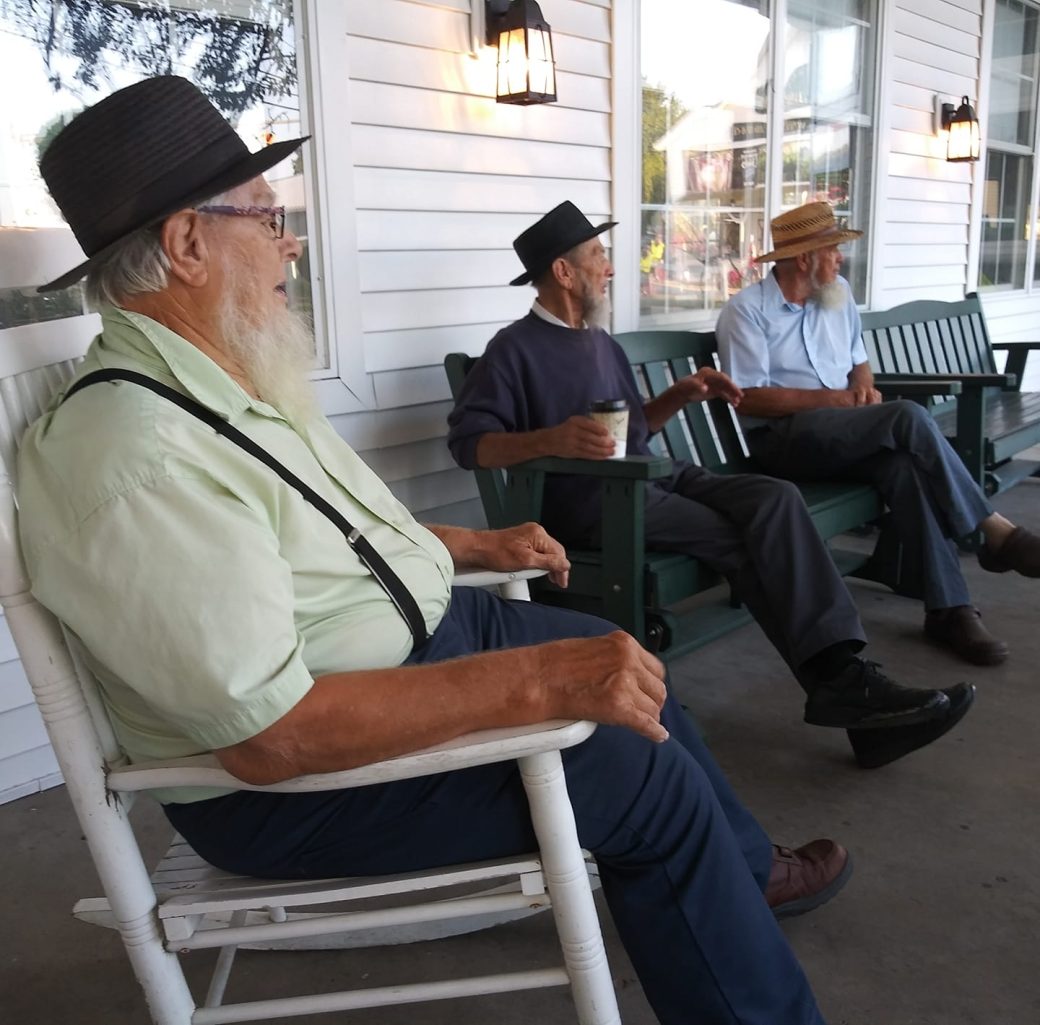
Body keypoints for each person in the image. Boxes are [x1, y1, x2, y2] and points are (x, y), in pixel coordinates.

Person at [19, 76, 845, 1025]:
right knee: (633, 765)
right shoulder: (135, 449)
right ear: (187, 242)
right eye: (266, 215)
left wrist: (464, 543)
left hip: (415, 642)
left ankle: (734, 877)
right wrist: (539, 685)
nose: (289, 239)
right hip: (301, 780)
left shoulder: (217, 381)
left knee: (639, 678)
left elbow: (333, 535)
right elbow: (268, 734)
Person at [447, 201, 975, 772]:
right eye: (598, 255)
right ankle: (847, 688)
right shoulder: (514, 350)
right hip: (595, 503)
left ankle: (846, 681)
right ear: (564, 272)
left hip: (654, 475)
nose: (610, 267)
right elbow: (471, 444)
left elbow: (635, 428)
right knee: (743, 537)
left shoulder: (601, 343)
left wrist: (681, 394)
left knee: (774, 498)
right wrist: (550, 440)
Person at [715, 201, 1040, 668]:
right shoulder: (747, 312)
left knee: (903, 466)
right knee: (905, 416)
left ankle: (950, 609)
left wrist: (863, 389)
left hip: (840, 434)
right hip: (783, 441)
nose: (840, 259)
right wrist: (841, 402)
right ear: (804, 258)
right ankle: (993, 531)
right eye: (832, 250)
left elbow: (857, 360)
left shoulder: (837, 294)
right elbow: (750, 398)